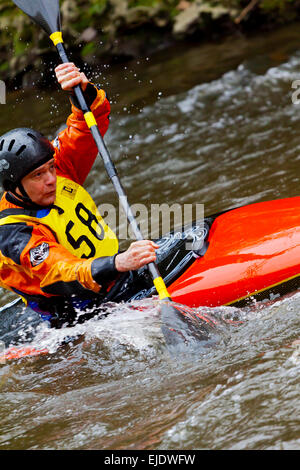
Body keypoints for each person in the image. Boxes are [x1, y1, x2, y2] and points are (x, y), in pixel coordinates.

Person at [0, 63, 158, 327]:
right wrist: (120, 262)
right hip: (73, 312)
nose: (52, 180)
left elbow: (87, 126)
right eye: (38, 176)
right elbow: (61, 271)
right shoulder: (13, 235)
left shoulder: (56, 168)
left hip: (113, 276)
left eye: (50, 168)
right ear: (14, 185)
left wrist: (81, 93)